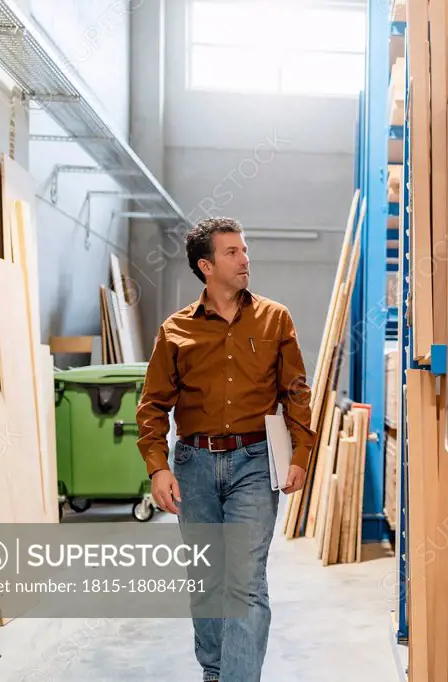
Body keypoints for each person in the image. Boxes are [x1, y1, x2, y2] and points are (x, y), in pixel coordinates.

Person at [135, 216, 315, 682]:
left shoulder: (276, 319)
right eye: (232, 252)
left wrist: (300, 455)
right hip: (194, 465)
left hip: (255, 462)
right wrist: (158, 468)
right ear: (206, 265)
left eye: (245, 250)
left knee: (245, 582)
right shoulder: (175, 331)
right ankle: (214, 672)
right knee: (207, 582)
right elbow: (152, 405)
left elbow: (296, 391)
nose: (245, 259)